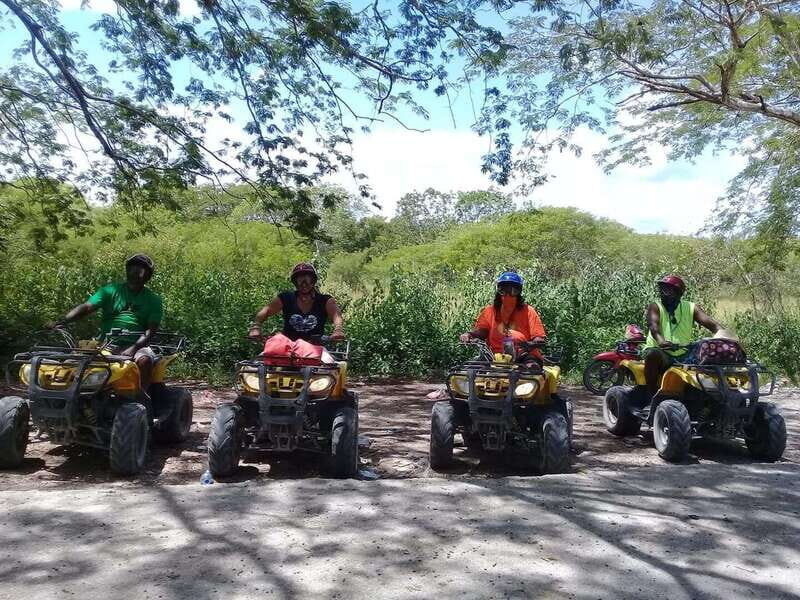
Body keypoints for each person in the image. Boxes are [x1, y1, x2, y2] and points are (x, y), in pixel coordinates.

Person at [49, 254, 163, 395]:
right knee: (73, 362)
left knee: (145, 361)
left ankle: (141, 397)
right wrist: (62, 321)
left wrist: (134, 348)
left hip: (137, 344)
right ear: (127, 269)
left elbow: (150, 331)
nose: (135, 271)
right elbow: (86, 307)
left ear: (147, 275)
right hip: (105, 343)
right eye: (133, 267)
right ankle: (68, 395)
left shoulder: (154, 300)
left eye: (141, 269)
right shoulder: (110, 290)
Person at [643, 274, 722, 397]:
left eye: (667, 290)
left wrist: (727, 337)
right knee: (652, 354)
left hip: (685, 354)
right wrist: (661, 341)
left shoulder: (691, 308)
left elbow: (713, 325)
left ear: (678, 292)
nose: (663, 293)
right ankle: (651, 395)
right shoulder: (655, 306)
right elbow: (654, 327)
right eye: (662, 289)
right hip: (662, 352)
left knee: (712, 358)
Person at [248, 263, 345, 343]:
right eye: (300, 280)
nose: (304, 284)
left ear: (313, 282)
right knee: (256, 364)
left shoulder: (325, 300)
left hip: (315, 348)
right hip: (287, 345)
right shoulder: (286, 298)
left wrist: (338, 330)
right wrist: (256, 326)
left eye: (308, 280)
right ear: (295, 282)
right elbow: (266, 311)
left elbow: (336, 316)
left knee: (330, 364)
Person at [459, 271, 546, 359]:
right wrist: (469, 334)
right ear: (498, 292)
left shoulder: (528, 311)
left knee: (531, 368)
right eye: (503, 290)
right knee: (471, 369)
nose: (508, 295)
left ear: (519, 293)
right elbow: (482, 331)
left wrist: (531, 344)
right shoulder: (489, 311)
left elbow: (539, 337)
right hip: (494, 356)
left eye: (513, 291)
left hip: (524, 354)